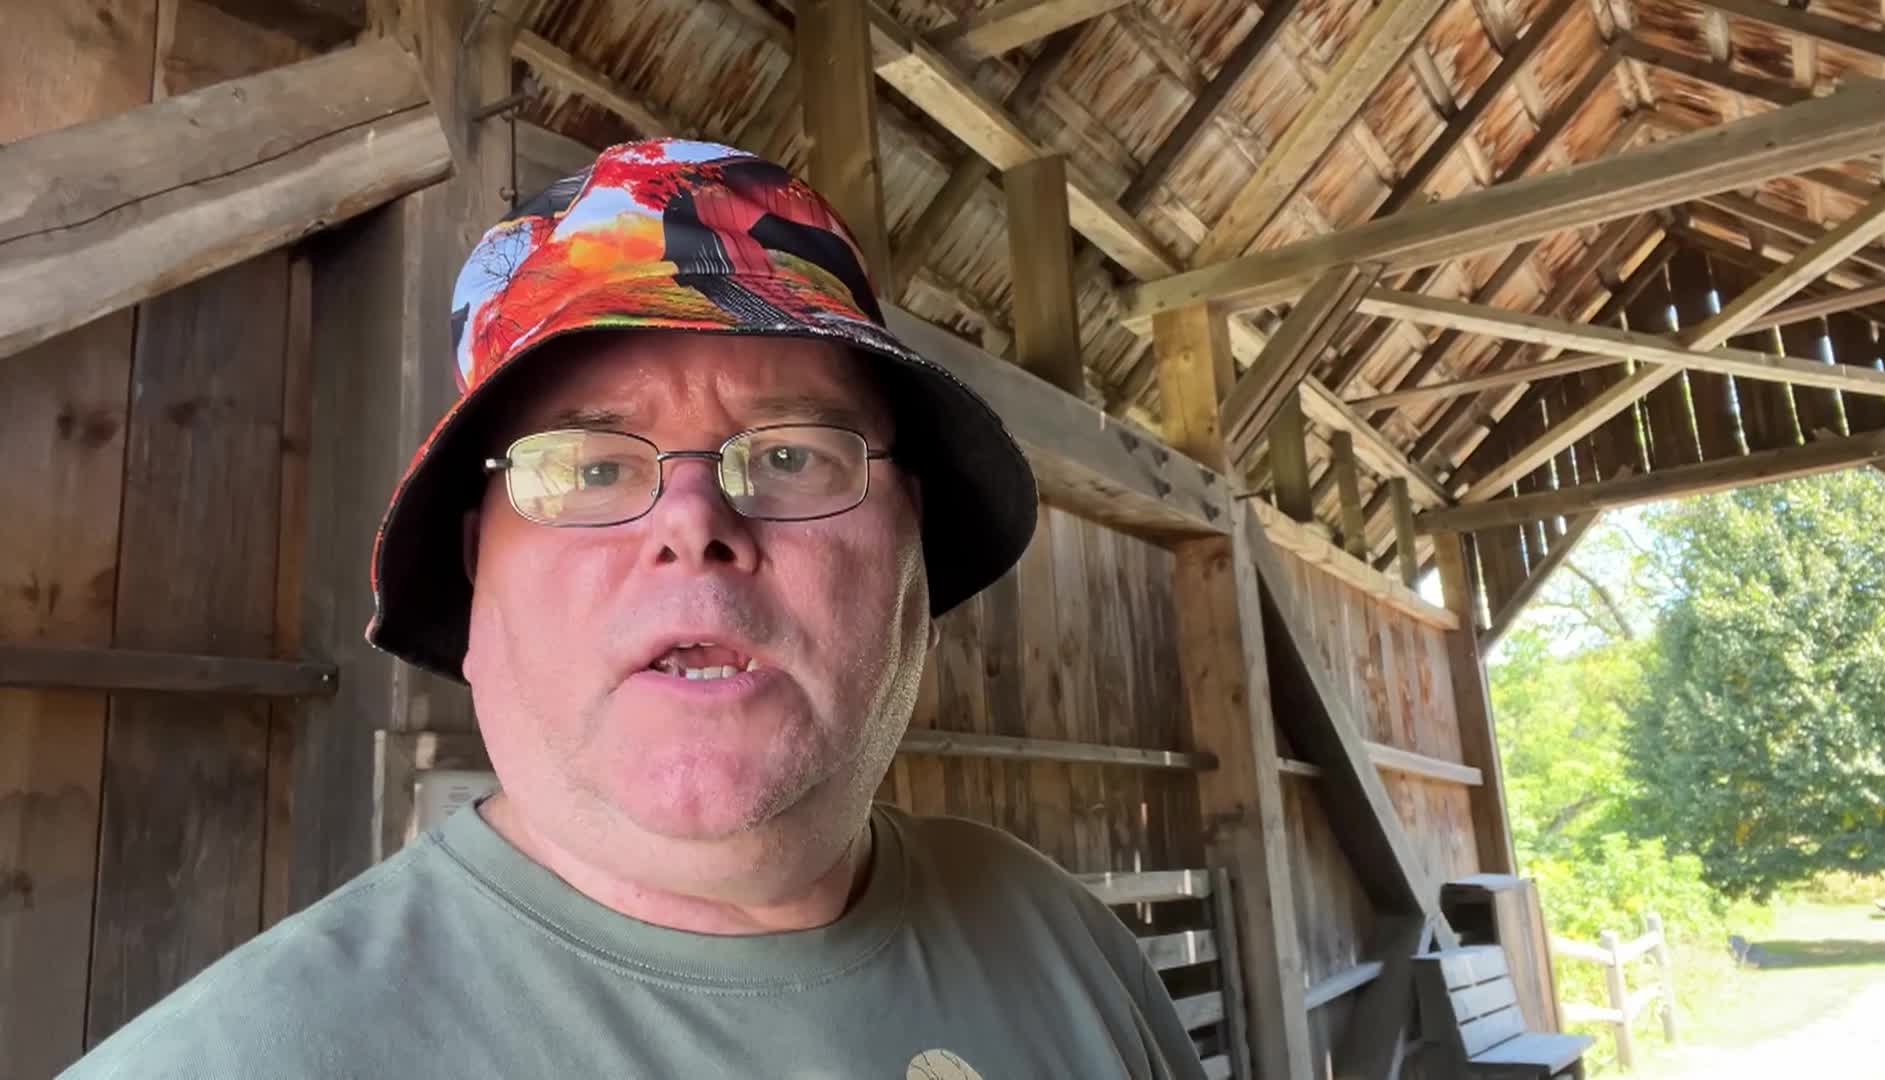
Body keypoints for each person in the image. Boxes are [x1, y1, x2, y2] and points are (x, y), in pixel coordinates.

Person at [66, 139, 1207, 1079]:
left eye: (793, 455)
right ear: (476, 577)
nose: (693, 522)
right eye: (591, 468)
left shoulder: (1067, 946)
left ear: (911, 551)